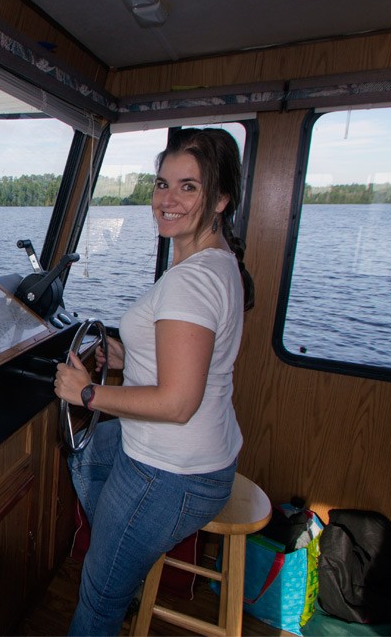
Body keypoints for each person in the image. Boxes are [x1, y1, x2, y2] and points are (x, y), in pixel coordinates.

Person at [54, 127, 255, 635]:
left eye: (188, 187)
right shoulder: (214, 263)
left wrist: (86, 392)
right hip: (200, 459)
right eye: (162, 183)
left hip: (168, 472)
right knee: (90, 449)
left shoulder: (192, 282)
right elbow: (189, 359)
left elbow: (177, 401)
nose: (167, 199)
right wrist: (125, 351)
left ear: (220, 200)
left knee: (96, 602)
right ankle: (123, 549)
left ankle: (118, 564)